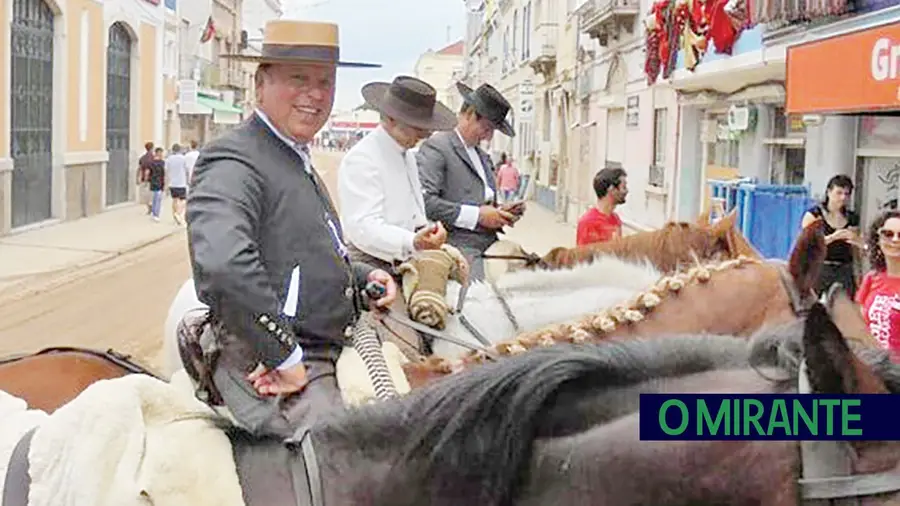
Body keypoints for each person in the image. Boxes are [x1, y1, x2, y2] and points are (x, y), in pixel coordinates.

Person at [185, 19, 395, 439]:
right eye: (298, 78)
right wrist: (283, 354)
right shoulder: (233, 159)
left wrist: (359, 276)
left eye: (326, 82)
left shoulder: (293, 156)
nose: (315, 94)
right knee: (350, 461)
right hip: (264, 360)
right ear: (260, 85)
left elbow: (302, 251)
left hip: (326, 343)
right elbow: (224, 265)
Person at [338, 75, 455, 273]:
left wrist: (428, 231)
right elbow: (363, 227)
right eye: (417, 127)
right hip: (372, 266)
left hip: (405, 258)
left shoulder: (406, 154)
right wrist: (412, 241)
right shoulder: (362, 159)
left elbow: (412, 210)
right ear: (391, 119)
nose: (424, 135)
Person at [416, 82, 524, 281]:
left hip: (489, 243)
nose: (488, 136)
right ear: (470, 115)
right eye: (487, 128)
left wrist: (501, 212)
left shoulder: (482, 156)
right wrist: (478, 216)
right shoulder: (438, 148)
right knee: (480, 299)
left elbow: (479, 200)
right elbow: (426, 202)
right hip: (458, 247)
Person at [801, 175, 862, 298]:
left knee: (844, 303)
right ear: (829, 192)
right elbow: (807, 243)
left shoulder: (851, 217)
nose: (842, 198)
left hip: (844, 267)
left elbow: (855, 250)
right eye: (839, 193)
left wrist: (858, 271)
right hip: (820, 266)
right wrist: (833, 237)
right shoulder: (814, 214)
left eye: (846, 194)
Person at [855, 210, 900, 356]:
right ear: (878, 240)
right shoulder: (871, 278)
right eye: (888, 234)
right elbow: (860, 328)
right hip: (873, 368)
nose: (895, 240)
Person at [576, 167, 628, 246]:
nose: (626, 191)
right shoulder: (587, 222)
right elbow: (582, 256)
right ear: (611, 189)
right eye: (623, 187)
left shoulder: (616, 219)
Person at [165, 143, 189, 225]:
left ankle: (174, 214)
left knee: (175, 199)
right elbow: (187, 170)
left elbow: (166, 171)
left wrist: (166, 184)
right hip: (181, 182)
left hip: (172, 183)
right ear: (180, 150)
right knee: (183, 200)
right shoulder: (183, 158)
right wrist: (188, 180)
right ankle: (178, 213)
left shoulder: (169, 159)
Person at [148, 147, 166, 222]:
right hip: (159, 182)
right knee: (158, 199)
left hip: (153, 182)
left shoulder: (151, 162)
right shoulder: (162, 163)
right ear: (158, 153)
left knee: (155, 198)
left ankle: (153, 212)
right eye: (161, 153)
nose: (162, 154)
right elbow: (164, 173)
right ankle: (156, 214)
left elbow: (148, 172)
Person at [137, 142, 155, 214]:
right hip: (153, 178)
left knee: (146, 194)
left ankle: (149, 207)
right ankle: (151, 206)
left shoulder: (142, 158)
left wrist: (138, 178)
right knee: (151, 194)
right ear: (152, 148)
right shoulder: (153, 158)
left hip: (144, 178)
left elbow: (139, 168)